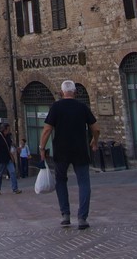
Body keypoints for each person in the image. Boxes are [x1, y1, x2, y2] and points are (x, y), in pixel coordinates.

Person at [40, 79, 99, 229]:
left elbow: (47, 130)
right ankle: (82, 218)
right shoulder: (82, 107)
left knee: (61, 180)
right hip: (80, 149)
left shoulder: (56, 107)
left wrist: (42, 147)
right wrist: (94, 141)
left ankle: (65, 215)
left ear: (61, 93)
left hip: (61, 150)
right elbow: (96, 128)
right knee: (84, 182)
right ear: (75, 93)